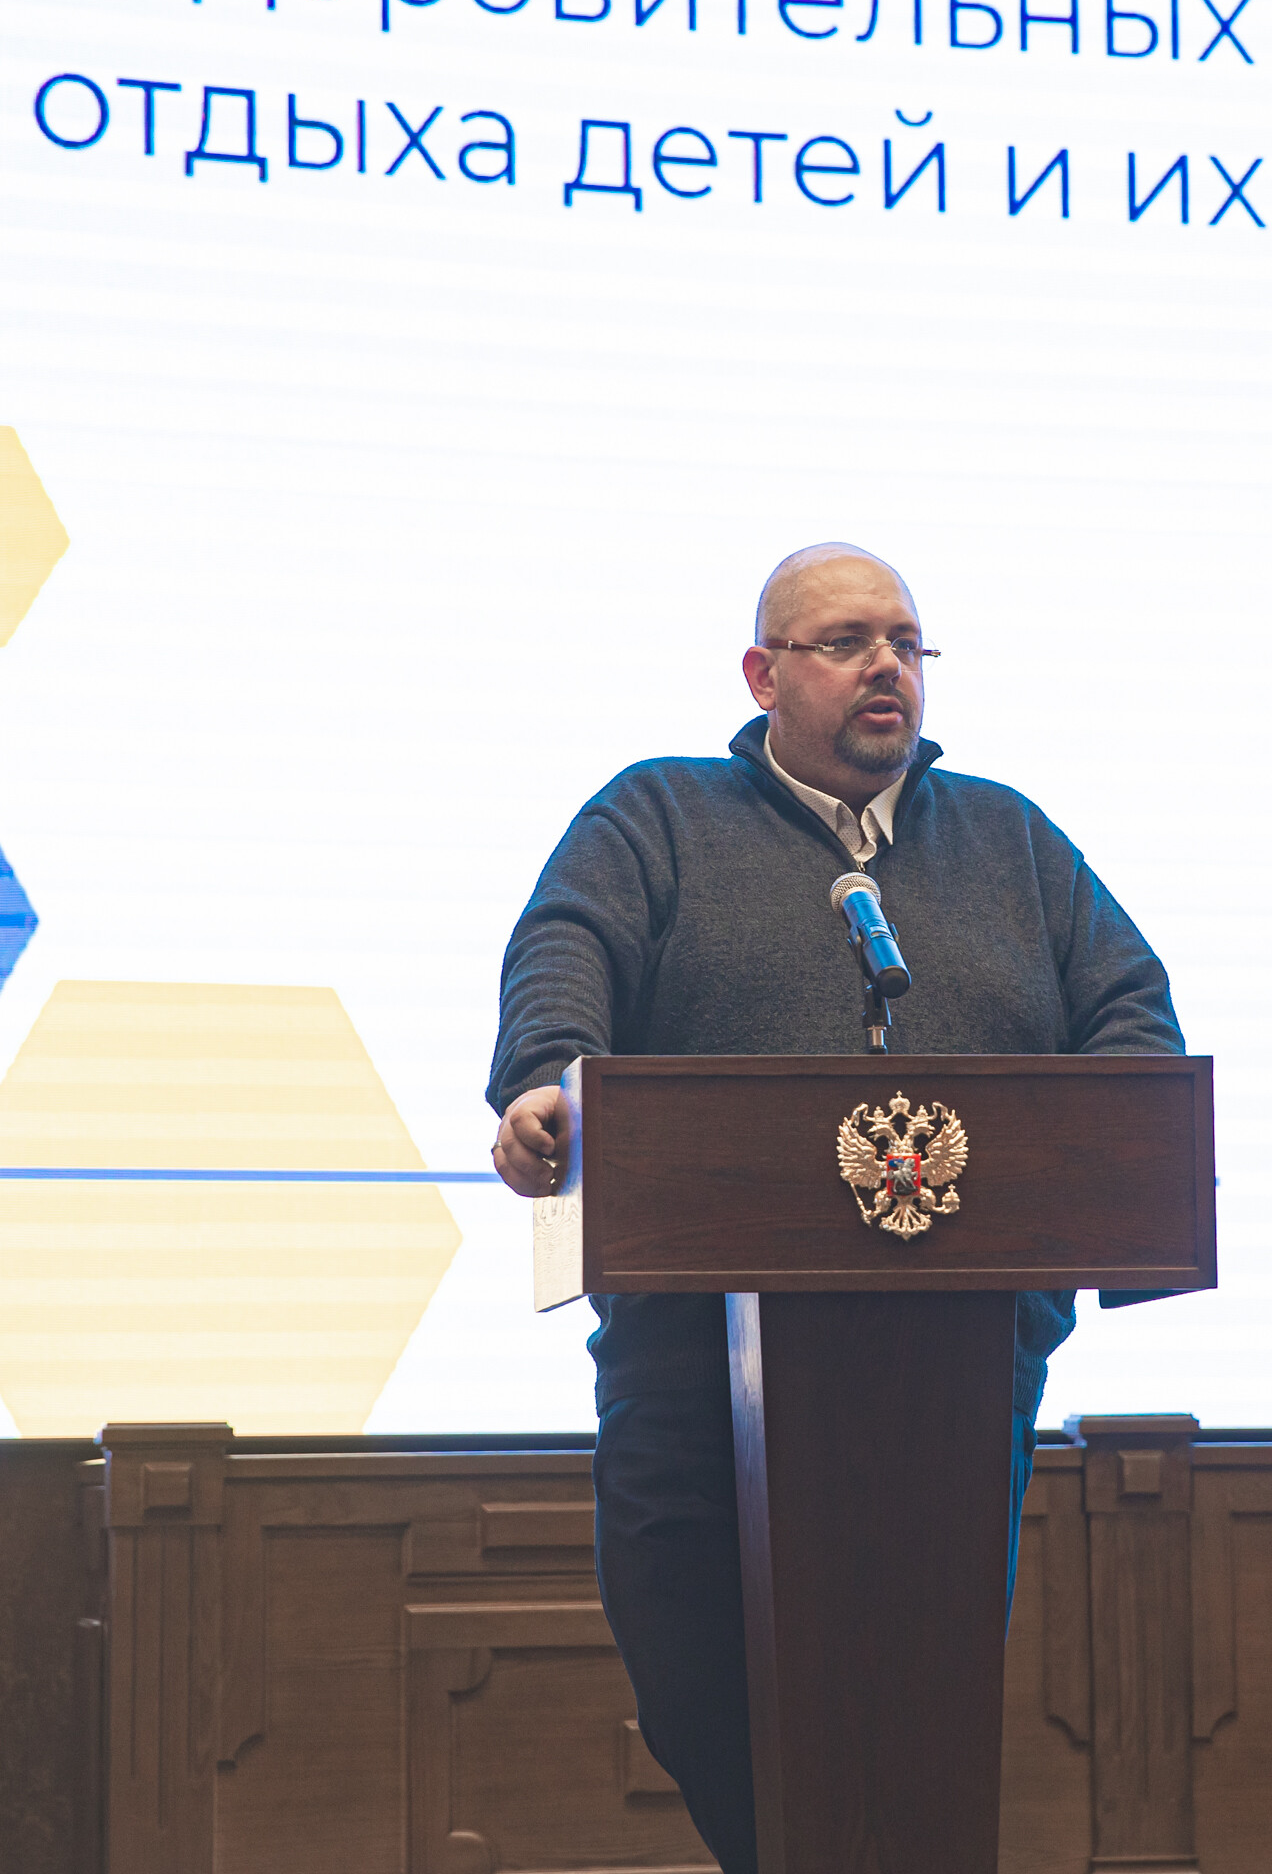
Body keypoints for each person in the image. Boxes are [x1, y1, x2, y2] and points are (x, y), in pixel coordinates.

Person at [484, 544, 1182, 1874]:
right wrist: (542, 1082)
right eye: (848, 641)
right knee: (695, 1678)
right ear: (763, 674)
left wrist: (1113, 1137)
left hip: (957, 1368)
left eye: (907, 644)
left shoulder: (1012, 841)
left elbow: (1128, 1011)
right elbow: (565, 950)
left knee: (908, 1717)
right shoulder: (658, 816)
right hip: (696, 1357)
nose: (887, 668)